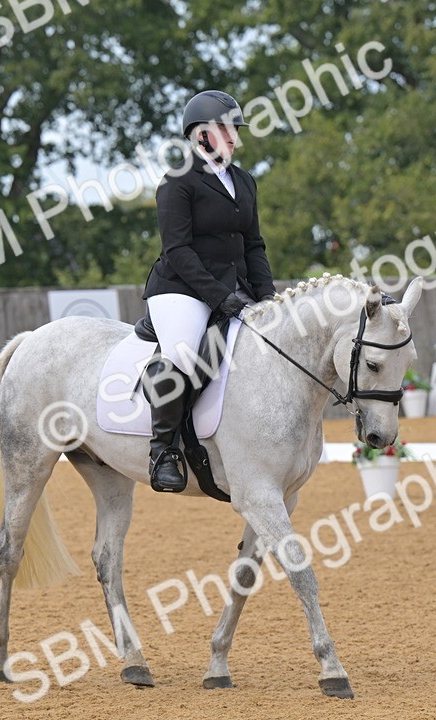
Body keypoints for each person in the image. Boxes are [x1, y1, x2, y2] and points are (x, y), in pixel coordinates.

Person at [140, 89, 277, 493]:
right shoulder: (177, 184)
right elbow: (178, 250)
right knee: (183, 355)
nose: (234, 137)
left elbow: (253, 245)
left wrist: (268, 297)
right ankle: (162, 450)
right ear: (200, 135)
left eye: (235, 130)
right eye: (225, 129)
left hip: (235, 287)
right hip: (180, 289)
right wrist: (219, 296)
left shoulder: (244, 182)